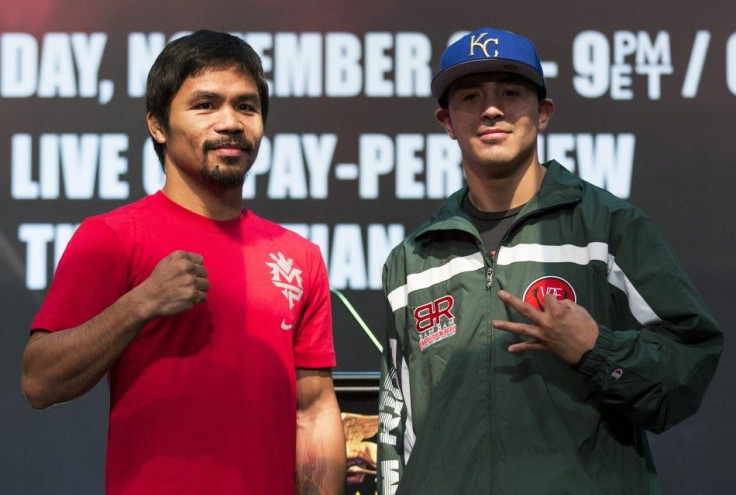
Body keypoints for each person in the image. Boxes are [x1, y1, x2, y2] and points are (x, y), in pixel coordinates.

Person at [376, 27, 722, 494]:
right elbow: (397, 427)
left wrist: (596, 350)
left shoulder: (608, 230)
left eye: (511, 92)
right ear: (446, 121)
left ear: (543, 113)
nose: (492, 109)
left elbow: (688, 365)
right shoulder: (412, 260)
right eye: (471, 96)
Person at [22, 30, 346, 495]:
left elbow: (313, 412)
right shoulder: (111, 237)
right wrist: (141, 304)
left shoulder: (299, 257)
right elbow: (38, 381)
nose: (230, 122)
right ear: (157, 124)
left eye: (246, 107)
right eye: (205, 105)